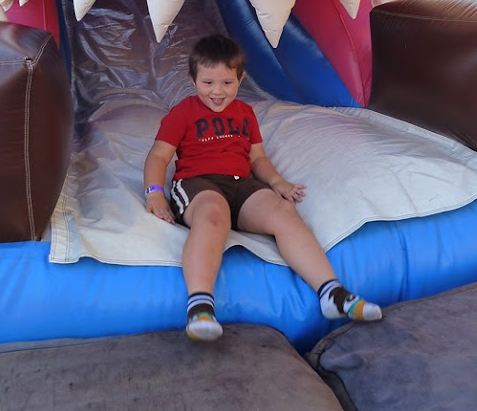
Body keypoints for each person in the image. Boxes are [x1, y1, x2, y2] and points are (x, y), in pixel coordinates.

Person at [143, 34, 382, 341]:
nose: (217, 91)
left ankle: (331, 293)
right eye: (208, 83)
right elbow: (159, 156)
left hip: (241, 184)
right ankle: (200, 307)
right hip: (197, 183)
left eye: (227, 83)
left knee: (283, 211)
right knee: (213, 215)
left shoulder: (245, 113)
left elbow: (257, 158)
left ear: (240, 79)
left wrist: (277, 181)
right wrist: (154, 193)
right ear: (193, 80)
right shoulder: (183, 112)